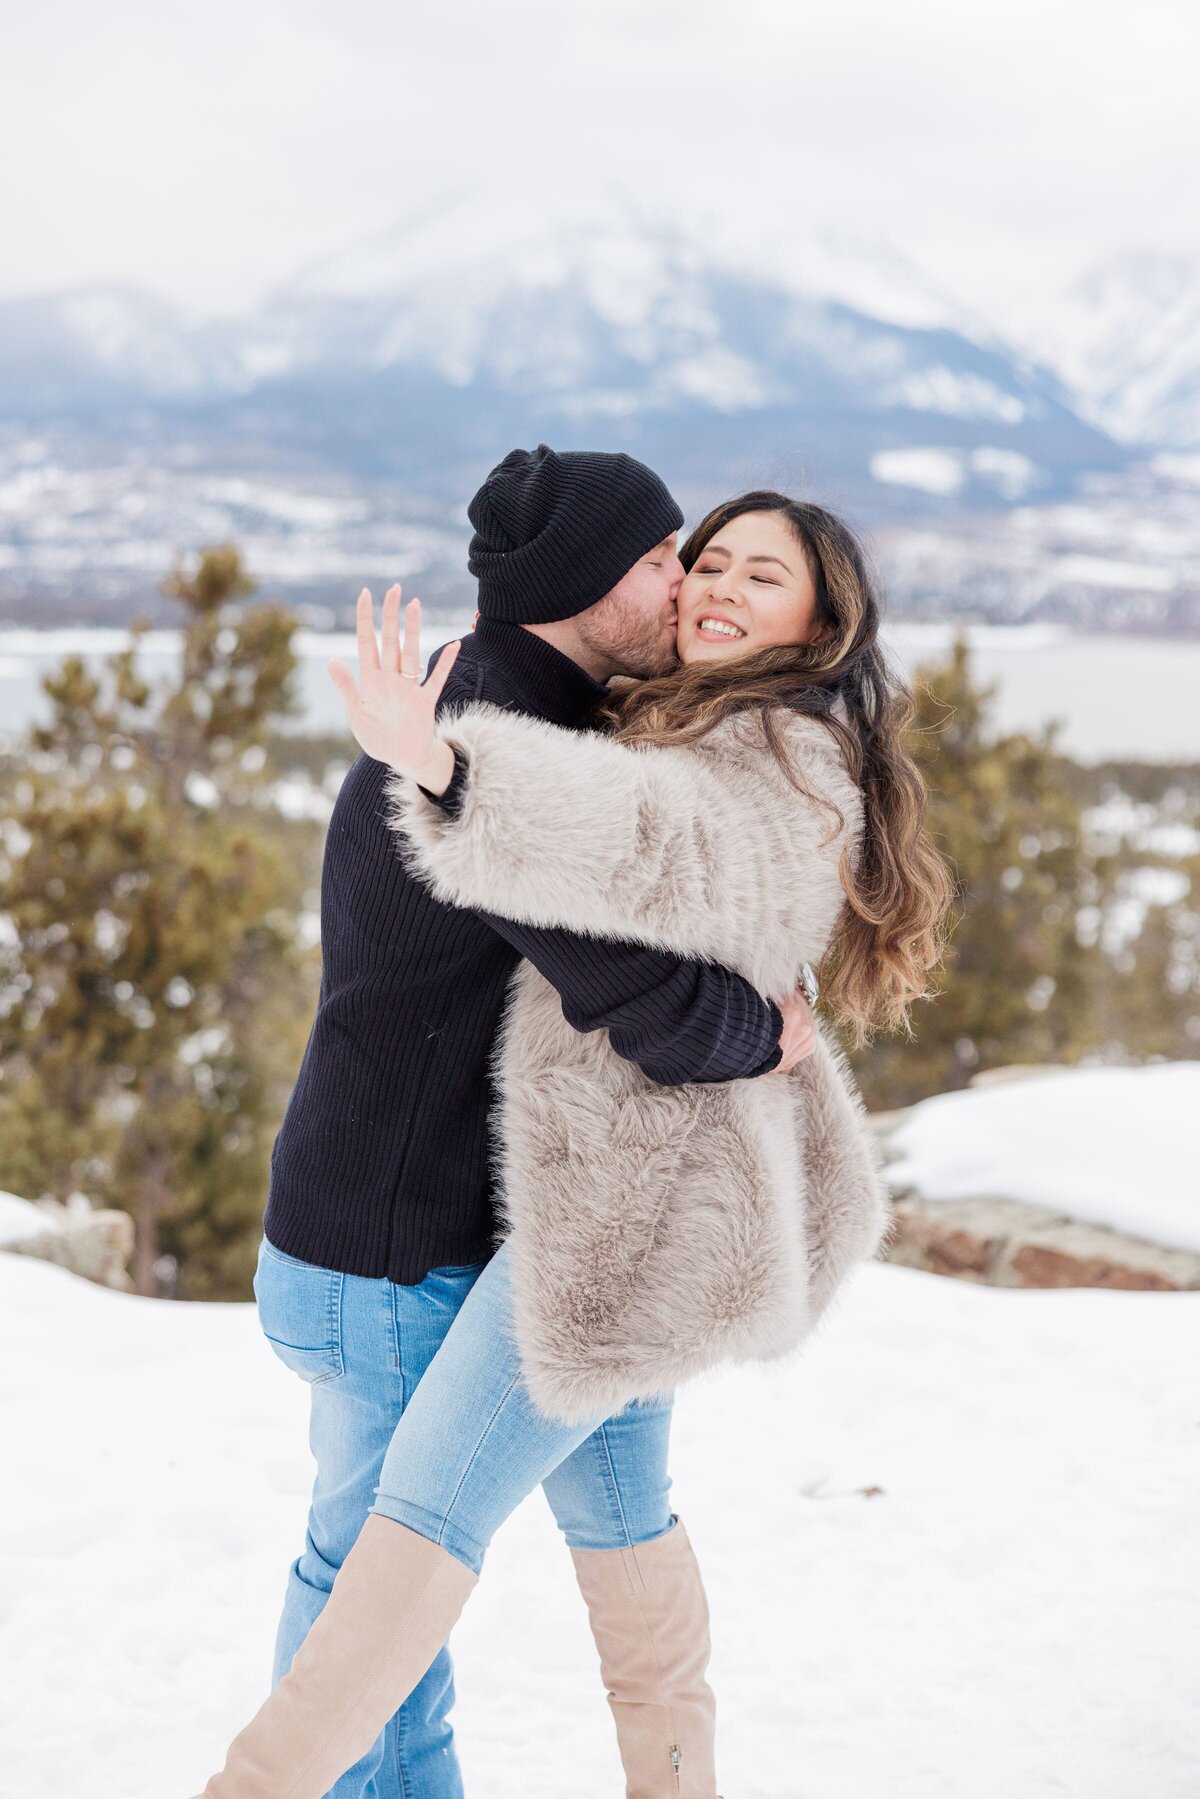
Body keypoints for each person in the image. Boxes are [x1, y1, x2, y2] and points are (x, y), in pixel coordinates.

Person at [193, 478, 952, 1798]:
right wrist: (750, 1030)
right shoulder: (536, 714)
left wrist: (449, 768)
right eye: (683, 559)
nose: (700, 584)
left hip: (599, 1233)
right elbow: (637, 937)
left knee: (399, 1560)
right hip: (439, 1246)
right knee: (540, 1547)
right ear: (590, 579)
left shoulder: (738, 745)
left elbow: (651, 862)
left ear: (825, 621)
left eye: (743, 572)